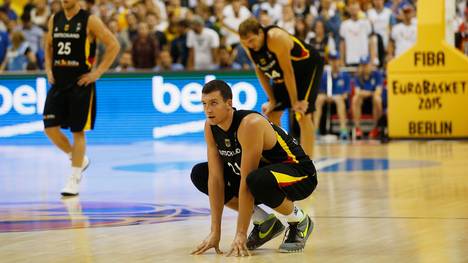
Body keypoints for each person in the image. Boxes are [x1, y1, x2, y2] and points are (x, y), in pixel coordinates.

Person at [191, 80, 318, 256]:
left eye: (214, 103)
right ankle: (265, 223)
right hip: (264, 175)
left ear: (229, 104)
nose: (208, 110)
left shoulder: (249, 124)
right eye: (204, 104)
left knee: (254, 180)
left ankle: (299, 220)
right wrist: (215, 232)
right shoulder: (210, 127)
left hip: (300, 174)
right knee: (200, 174)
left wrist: (240, 234)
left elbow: (246, 180)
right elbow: (215, 179)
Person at [43, 0, 120, 196]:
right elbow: (48, 46)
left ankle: (74, 178)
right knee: (50, 128)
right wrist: (48, 69)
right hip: (58, 82)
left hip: (80, 83)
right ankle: (77, 157)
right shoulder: (55, 18)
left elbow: (113, 45)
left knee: (78, 132)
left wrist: (98, 73)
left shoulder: (90, 20)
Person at [238, 17, 324, 157]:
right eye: (246, 43)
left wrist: (295, 102)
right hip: (285, 72)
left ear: (260, 32)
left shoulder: (276, 38)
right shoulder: (247, 44)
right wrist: (272, 99)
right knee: (272, 114)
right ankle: (284, 156)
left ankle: (308, 162)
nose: (250, 45)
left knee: (301, 114)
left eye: (252, 40)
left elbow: (288, 72)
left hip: (307, 68)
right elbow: (260, 70)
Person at [314, 53, 351, 140]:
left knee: (339, 100)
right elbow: (321, 92)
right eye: (332, 60)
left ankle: (343, 130)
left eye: (336, 60)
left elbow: (346, 94)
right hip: (326, 100)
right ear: (329, 61)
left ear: (340, 61)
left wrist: (337, 97)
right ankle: (315, 130)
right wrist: (327, 97)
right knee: (318, 99)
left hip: (340, 101)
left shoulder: (345, 75)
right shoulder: (324, 75)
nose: (334, 62)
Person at [351, 56, 383, 140]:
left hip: (373, 102)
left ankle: (376, 128)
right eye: (362, 65)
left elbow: (378, 91)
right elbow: (357, 92)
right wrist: (370, 93)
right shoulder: (358, 76)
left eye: (366, 65)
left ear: (370, 65)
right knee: (355, 98)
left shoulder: (377, 74)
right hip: (362, 103)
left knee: (377, 99)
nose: (364, 67)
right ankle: (357, 128)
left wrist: (367, 93)